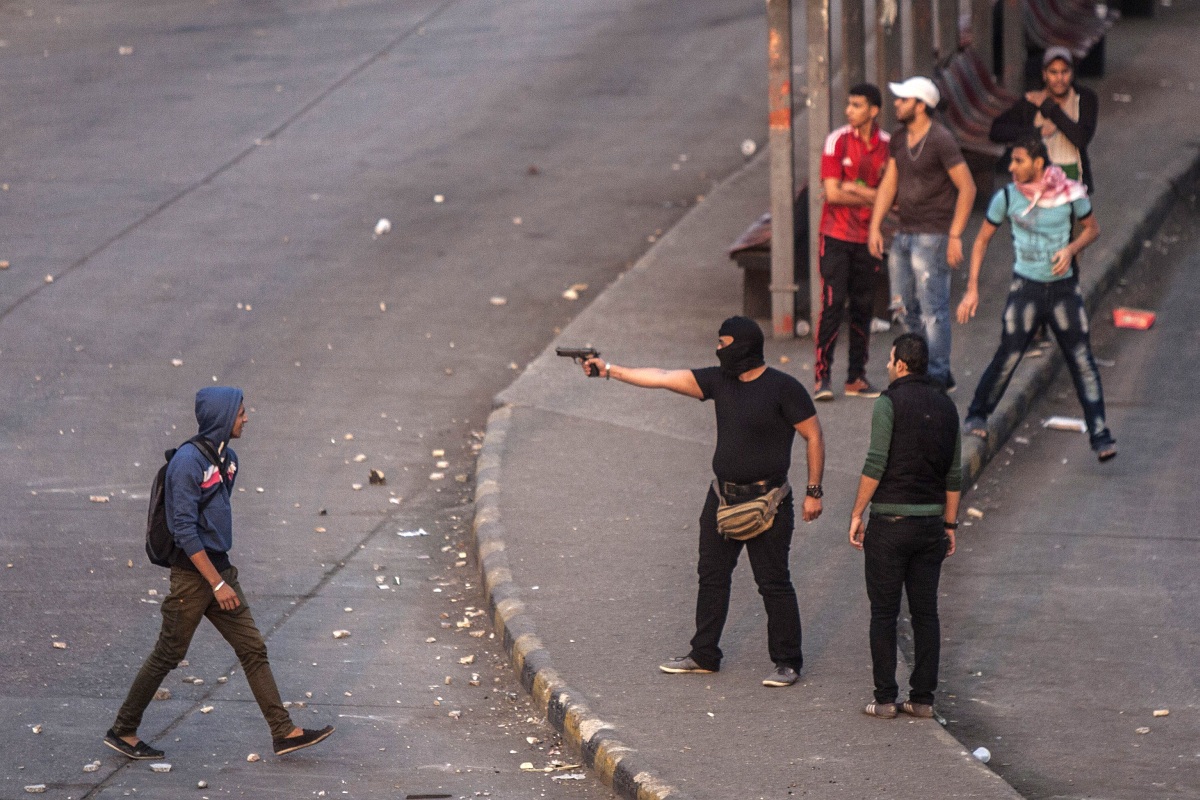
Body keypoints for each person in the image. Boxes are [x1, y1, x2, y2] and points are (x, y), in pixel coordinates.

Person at [580, 316, 824, 687]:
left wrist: (813, 491)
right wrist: (608, 370)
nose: (718, 349)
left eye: (723, 342)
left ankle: (788, 662)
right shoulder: (717, 381)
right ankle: (704, 655)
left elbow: (814, 436)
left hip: (770, 502)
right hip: (721, 499)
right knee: (711, 578)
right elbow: (661, 376)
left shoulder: (783, 388)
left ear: (742, 345)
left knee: (773, 583)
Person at [105, 387, 335, 760]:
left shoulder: (228, 461)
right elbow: (184, 529)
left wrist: (221, 576)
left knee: (252, 648)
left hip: (219, 568)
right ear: (223, 417)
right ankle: (123, 729)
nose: (246, 418)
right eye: (241, 413)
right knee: (169, 652)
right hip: (194, 577)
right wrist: (215, 582)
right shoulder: (187, 463)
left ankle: (284, 732)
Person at [956, 137, 1116, 461]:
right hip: (1026, 288)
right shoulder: (1007, 197)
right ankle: (977, 414)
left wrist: (1071, 250)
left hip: (1063, 290)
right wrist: (972, 288)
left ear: (1039, 164)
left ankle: (1100, 435)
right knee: (1009, 356)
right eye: (1011, 161)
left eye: (1018, 161)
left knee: (1081, 360)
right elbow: (981, 240)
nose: (1011, 168)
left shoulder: (1071, 193)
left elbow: (1092, 229)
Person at [848, 333, 961, 720]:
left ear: (900, 364)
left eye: (890, 359)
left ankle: (884, 700)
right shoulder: (947, 406)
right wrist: (950, 525)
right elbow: (954, 473)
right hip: (931, 524)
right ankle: (923, 699)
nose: (886, 365)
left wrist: (857, 512)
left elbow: (876, 461)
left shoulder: (888, 402)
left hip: (891, 525)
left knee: (884, 612)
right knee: (926, 613)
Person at [868, 76, 976, 391]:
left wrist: (955, 234)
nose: (897, 104)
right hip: (903, 234)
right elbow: (890, 181)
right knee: (902, 305)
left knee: (933, 310)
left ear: (921, 104)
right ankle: (924, 366)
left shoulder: (941, 140)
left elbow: (967, 187)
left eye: (903, 99)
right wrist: (876, 226)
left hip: (934, 235)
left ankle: (939, 375)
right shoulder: (899, 139)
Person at [813, 83, 891, 401]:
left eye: (857, 105)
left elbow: (891, 197)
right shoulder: (837, 140)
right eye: (849, 104)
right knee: (833, 304)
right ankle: (822, 378)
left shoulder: (888, 146)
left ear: (874, 111)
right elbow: (831, 193)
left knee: (863, 307)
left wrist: (856, 189)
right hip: (834, 236)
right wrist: (874, 196)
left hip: (867, 237)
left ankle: (855, 377)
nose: (849, 111)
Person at [990, 46, 1098, 193]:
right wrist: (1036, 132)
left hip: (1073, 184)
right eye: (1053, 72)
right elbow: (996, 131)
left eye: (1064, 72)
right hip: (1036, 186)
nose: (1059, 79)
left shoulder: (1086, 99)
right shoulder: (1031, 102)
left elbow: (1080, 138)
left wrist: (1050, 108)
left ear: (1072, 74)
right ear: (1044, 75)